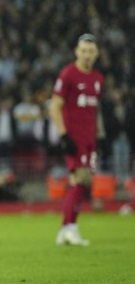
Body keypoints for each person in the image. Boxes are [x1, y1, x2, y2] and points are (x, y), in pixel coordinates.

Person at [49, 33, 104, 246]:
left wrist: (101, 135)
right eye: (84, 51)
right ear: (76, 52)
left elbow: (95, 109)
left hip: (90, 137)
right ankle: (69, 227)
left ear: (96, 53)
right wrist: (64, 135)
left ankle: (66, 228)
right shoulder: (68, 74)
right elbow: (54, 106)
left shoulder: (98, 78)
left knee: (83, 181)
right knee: (79, 179)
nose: (87, 55)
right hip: (74, 136)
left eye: (91, 51)